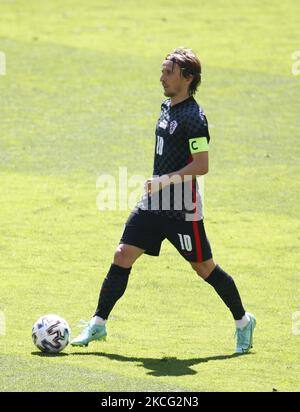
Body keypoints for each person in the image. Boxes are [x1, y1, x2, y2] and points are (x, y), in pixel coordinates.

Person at [71, 47, 256, 353]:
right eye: (162, 71)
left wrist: (163, 180)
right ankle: (98, 324)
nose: (162, 78)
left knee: (204, 268)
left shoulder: (195, 118)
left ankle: (243, 321)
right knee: (122, 254)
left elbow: (202, 165)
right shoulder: (167, 106)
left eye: (168, 73)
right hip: (153, 204)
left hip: (182, 208)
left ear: (188, 78)